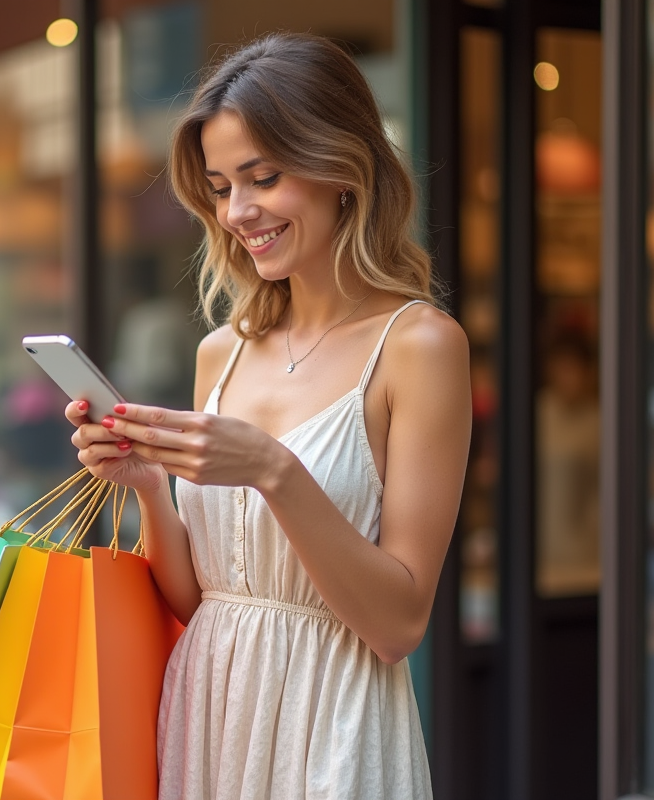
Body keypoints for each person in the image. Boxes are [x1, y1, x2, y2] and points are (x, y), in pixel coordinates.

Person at [66, 32, 471, 800]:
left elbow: (398, 626)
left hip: (333, 733)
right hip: (205, 722)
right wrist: (151, 486)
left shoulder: (419, 346)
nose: (238, 211)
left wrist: (274, 471)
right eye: (220, 187)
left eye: (263, 177)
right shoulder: (223, 351)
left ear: (341, 169)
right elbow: (206, 601)